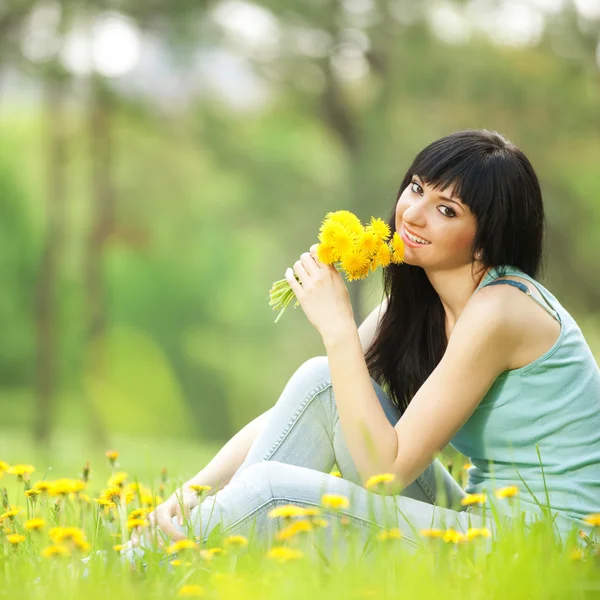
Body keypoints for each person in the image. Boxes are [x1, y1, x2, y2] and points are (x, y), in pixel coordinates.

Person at [130, 129, 600, 557]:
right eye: (417, 188)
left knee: (272, 490)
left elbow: (387, 470)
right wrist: (194, 491)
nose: (413, 213)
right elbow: (309, 403)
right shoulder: (427, 304)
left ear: (486, 239)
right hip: (482, 522)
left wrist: (336, 328)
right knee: (321, 378)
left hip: (547, 549)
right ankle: (177, 543)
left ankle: (124, 569)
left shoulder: (501, 310)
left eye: (446, 210)